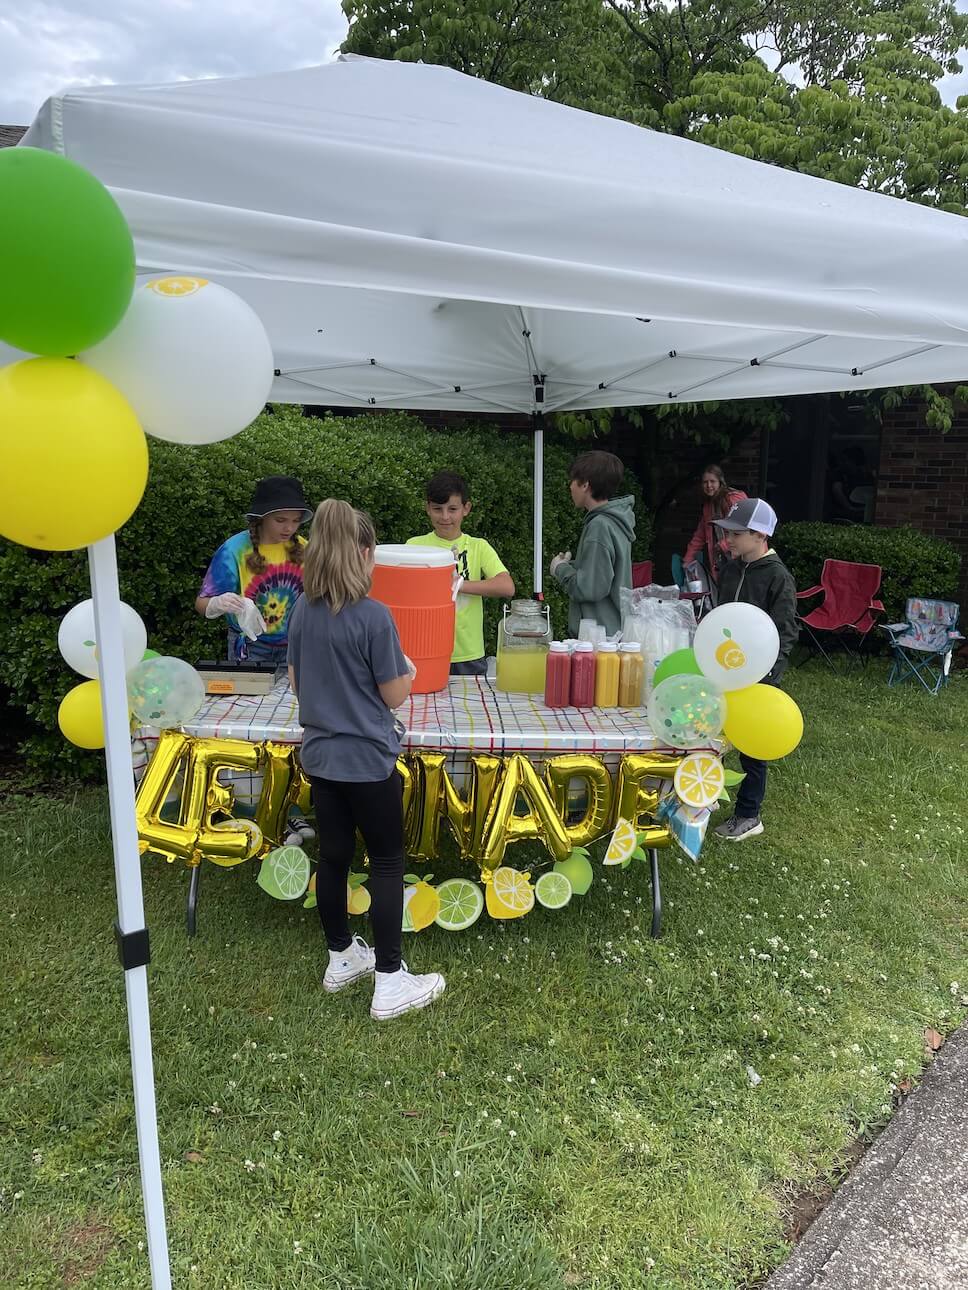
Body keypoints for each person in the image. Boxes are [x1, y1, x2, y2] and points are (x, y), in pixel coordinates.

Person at [287, 499, 445, 1021]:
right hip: (368, 761)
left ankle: (341, 956)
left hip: (322, 758)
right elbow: (394, 694)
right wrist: (408, 673)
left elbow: (297, 684)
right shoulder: (374, 616)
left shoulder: (301, 611)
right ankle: (390, 980)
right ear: (364, 553)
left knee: (333, 857)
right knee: (386, 862)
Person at [711, 498, 798, 843]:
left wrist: (768, 675)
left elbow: (786, 631)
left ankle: (749, 814)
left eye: (736, 533)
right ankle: (707, 794)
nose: (728, 539)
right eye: (728, 532)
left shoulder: (778, 577)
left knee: (752, 746)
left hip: (756, 677)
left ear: (760, 535)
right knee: (711, 735)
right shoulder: (730, 569)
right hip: (723, 669)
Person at [407, 470, 515, 675]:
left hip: (468, 655)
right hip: (423, 650)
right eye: (437, 509)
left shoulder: (478, 546)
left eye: (452, 509)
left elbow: (507, 586)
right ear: (427, 508)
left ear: (466, 508)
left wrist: (460, 584)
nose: (445, 516)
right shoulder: (413, 545)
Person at [196, 476, 311, 666]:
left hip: (295, 644)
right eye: (280, 520)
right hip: (250, 645)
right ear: (262, 517)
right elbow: (201, 604)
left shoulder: (305, 548)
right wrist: (219, 603)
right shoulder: (234, 550)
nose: (289, 528)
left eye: (296, 520)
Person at [550, 450, 635, 637]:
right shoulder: (614, 521)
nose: (570, 487)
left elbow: (589, 588)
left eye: (573, 481)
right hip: (612, 633)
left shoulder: (599, 526)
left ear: (585, 485)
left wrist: (560, 569)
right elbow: (601, 574)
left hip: (599, 638)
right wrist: (573, 565)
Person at [683, 465, 747, 586]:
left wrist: (723, 544)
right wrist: (688, 559)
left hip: (740, 557)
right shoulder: (709, 506)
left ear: (720, 482)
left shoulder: (733, 499)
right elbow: (700, 535)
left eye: (712, 481)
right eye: (705, 482)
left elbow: (745, 528)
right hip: (722, 561)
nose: (708, 485)